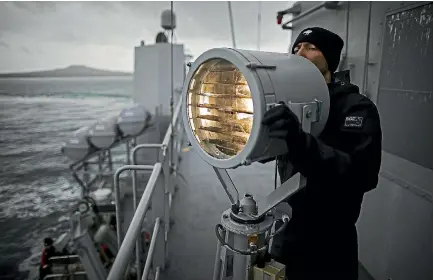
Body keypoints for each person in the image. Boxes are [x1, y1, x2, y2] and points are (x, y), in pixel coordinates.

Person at [261, 27, 382, 280]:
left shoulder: (356, 108)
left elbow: (363, 174)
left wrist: (299, 141)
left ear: (330, 59)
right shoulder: (291, 99)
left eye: (311, 47)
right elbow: (272, 148)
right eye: (296, 47)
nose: (300, 52)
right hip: (286, 232)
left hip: (330, 243)